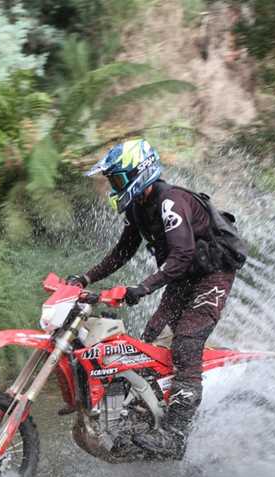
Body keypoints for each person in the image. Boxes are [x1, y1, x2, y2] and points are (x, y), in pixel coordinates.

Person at [67, 139, 238, 460]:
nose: (113, 187)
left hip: (212, 275)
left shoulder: (170, 201)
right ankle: (140, 422)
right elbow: (122, 251)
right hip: (185, 277)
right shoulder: (138, 207)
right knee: (148, 346)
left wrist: (141, 289)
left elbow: (183, 254)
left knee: (186, 342)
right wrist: (84, 279)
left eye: (117, 180)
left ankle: (174, 435)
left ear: (139, 173)